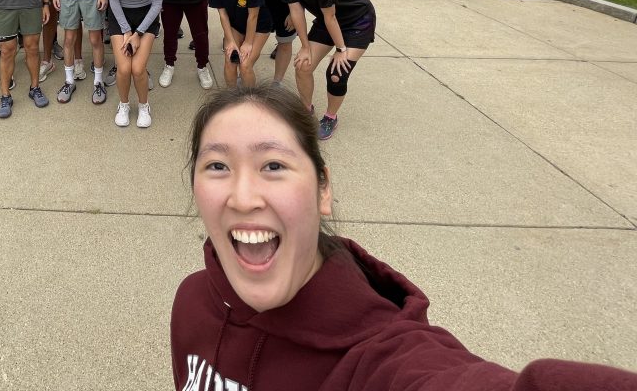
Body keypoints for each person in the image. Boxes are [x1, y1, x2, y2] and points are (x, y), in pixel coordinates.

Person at [172, 85, 637, 391]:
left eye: (273, 165)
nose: (243, 195)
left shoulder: (380, 360)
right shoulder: (194, 301)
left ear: (323, 188)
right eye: (217, 166)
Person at [277, 0, 375, 140]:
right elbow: (296, 12)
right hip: (327, 19)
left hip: (357, 20)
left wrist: (341, 50)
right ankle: (305, 111)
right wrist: (304, 46)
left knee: (336, 72)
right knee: (303, 64)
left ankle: (330, 117)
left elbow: (331, 17)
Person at [106, 0, 164, 128]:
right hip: (119, 15)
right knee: (123, 68)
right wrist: (126, 31)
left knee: (138, 69)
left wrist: (138, 33)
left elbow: (157, 3)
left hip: (145, 16)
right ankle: (123, 105)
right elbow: (113, 0)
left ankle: (143, 105)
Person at [209, 0, 272, 89]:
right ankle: (232, 98)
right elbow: (223, 15)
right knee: (230, 59)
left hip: (259, 26)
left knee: (245, 65)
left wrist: (248, 42)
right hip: (236, 25)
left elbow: (253, 15)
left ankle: (250, 99)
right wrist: (230, 41)